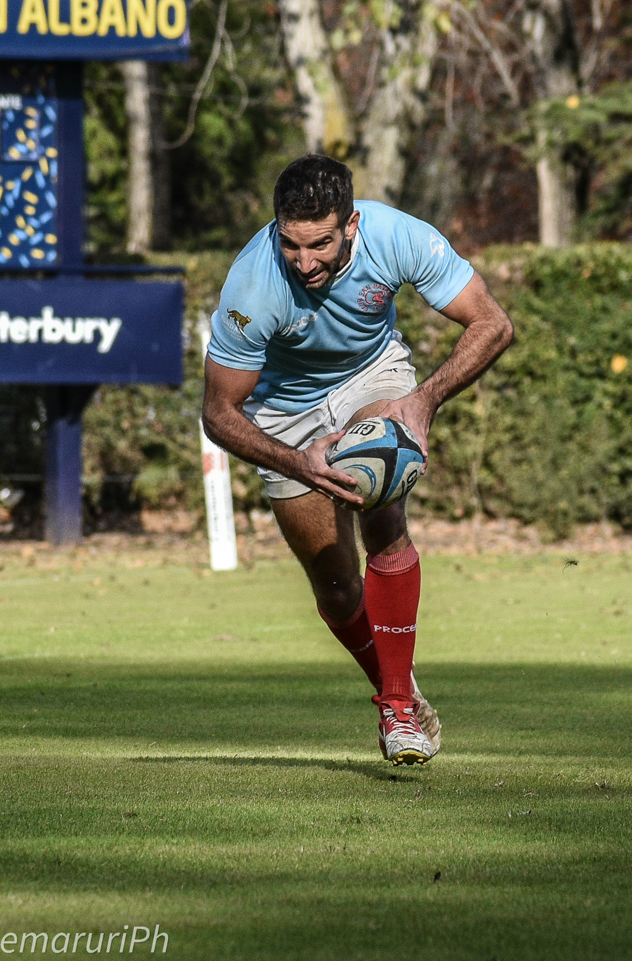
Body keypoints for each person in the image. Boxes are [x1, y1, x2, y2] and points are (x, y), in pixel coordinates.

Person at [201, 156, 514, 765]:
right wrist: (299, 463)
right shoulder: (251, 285)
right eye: (291, 245)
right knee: (338, 587)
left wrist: (423, 401)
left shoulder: (399, 236)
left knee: (381, 507)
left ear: (351, 225)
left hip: (371, 377)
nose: (305, 262)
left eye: (320, 243)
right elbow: (219, 413)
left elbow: (493, 324)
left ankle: (397, 707)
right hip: (284, 414)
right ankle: (395, 681)